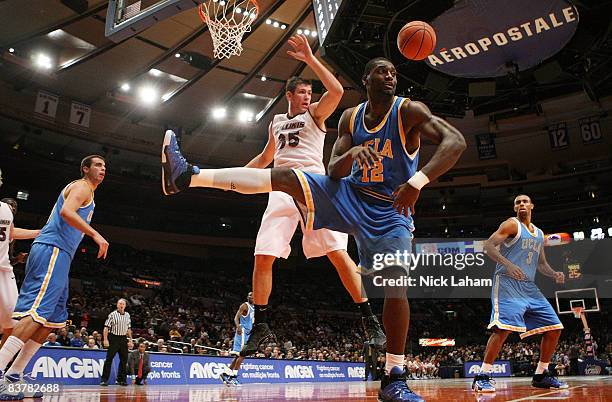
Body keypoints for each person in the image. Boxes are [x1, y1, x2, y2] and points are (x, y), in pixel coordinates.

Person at [161, 56, 466, 402]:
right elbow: (335, 169)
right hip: (349, 194)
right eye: (382, 71)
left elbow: (454, 141)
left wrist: (418, 181)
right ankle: (187, 176)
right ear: (366, 78)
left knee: (394, 283)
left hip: (391, 207)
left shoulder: (408, 111)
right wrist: (354, 154)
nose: (390, 76)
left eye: (393, 72)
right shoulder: (351, 117)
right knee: (284, 180)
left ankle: (394, 375)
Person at [236, 34, 385, 354]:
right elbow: (264, 159)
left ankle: (369, 319)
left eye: (309, 92)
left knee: (336, 253)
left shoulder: (315, 115)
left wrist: (309, 59)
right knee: (262, 256)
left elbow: (337, 91)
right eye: (301, 92)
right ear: (289, 95)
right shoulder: (276, 121)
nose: (307, 96)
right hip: (280, 186)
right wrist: (237, 178)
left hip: (313, 186)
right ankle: (260, 328)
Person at [0, 156, 108, 400]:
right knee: (35, 314)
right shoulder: (81, 186)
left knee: (50, 321)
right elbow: (66, 212)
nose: (103, 169)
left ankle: (14, 375)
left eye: (104, 166)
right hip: (52, 249)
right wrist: (96, 235)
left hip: (61, 255)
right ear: (85, 169)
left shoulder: (89, 193)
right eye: (98, 165)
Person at [472, 195, 568, 393]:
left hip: (529, 287)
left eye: (525, 201)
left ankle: (541, 375)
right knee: (503, 329)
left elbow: (541, 263)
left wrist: (553, 273)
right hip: (507, 283)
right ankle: (482, 376)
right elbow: (489, 245)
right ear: (515, 208)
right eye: (518, 202)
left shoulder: (539, 233)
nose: (521, 204)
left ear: (532, 206)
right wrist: (508, 264)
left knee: (554, 328)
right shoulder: (511, 225)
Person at [0, 181, 40, 350]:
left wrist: (40, 233)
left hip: (4, 270)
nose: (13, 207)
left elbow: (12, 233)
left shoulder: (5, 211)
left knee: (13, 324)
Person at [220, 292, 254, 386]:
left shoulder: (255, 308)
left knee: (238, 356)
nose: (251, 296)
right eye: (250, 295)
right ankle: (233, 377)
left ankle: (225, 374)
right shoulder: (244, 306)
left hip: (248, 333)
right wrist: (238, 326)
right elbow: (236, 317)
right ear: (247, 297)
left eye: (253, 295)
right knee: (242, 355)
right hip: (242, 332)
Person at [101, 298, 132, 386]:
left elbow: (129, 329)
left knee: (124, 360)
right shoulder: (112, 315)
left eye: (123, 304)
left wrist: (130, 340)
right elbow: (106, 327)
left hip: (123, 339)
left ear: (125, 306)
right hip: (114, 338)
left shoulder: (127, 315)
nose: (121, 305)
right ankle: (104, 380)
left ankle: (121, 380)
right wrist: (105, 339)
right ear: (117, 305)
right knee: (109, 359)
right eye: (120, 303)